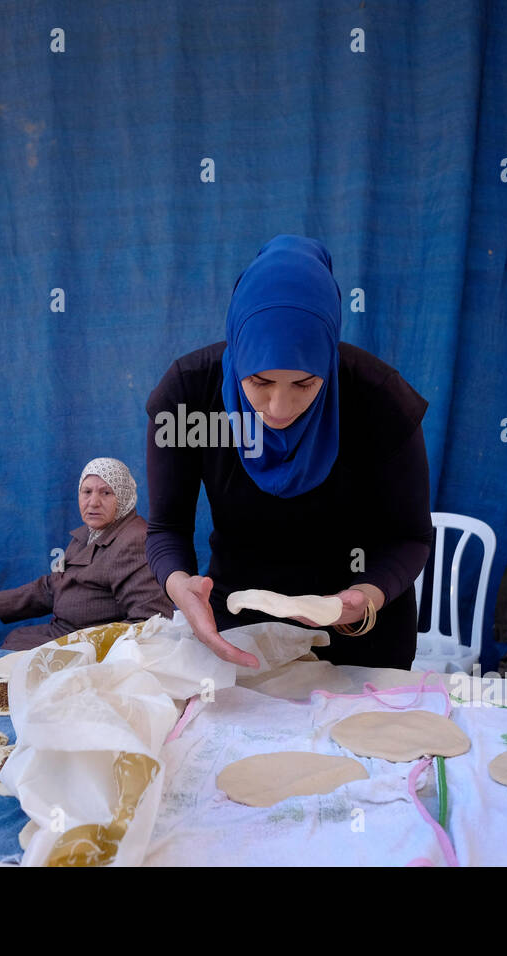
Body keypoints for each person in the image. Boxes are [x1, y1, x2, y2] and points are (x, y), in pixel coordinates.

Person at [144, 235, 433, 670]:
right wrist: (180, 586)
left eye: (305, 384)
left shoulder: (379, 401)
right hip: (241, 634)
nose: (280, 409)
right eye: (259, 382)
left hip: (359, 636)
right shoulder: (188, 397)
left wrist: (364, 598)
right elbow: (167, 528)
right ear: (238, 350)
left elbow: (409, 537)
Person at [0, 458, 174, 649]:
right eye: (87, 492)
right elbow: (52, 587)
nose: (93, 502)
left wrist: (77, 649)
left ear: (123, 497)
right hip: (64, 633)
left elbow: (150, 622)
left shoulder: (134, 541)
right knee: (17, 641)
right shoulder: (90, 533)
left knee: (17, 655)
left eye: (106, 493)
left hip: (91, 648)